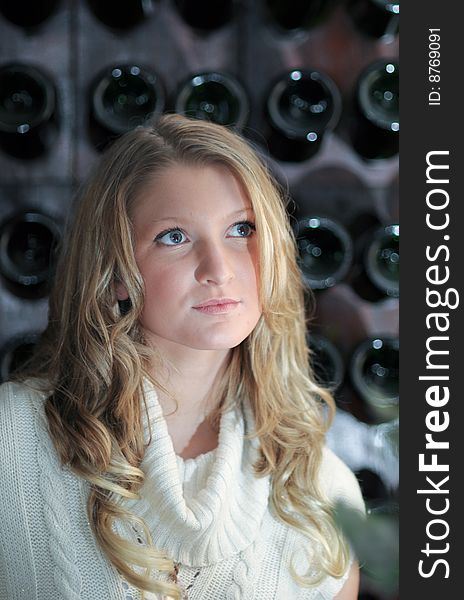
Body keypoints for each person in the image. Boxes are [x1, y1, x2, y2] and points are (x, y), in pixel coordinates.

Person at [0, 114, 365, 599]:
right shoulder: (14, 438)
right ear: (114, 272)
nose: (218, 269)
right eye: (175, 236)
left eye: (241, 229)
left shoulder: (323, 489)